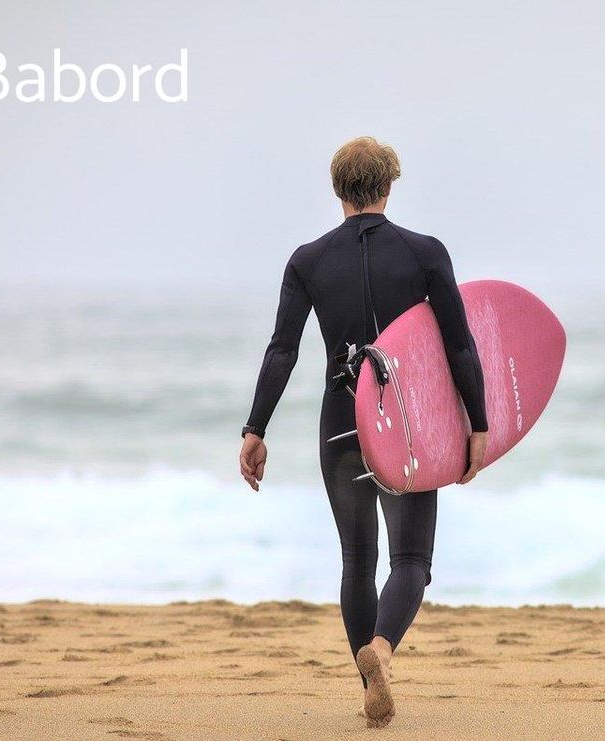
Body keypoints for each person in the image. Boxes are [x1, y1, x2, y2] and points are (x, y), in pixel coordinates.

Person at [238, 136, 488, 728]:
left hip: (340, 424)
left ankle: (368, 687)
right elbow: (458, 345)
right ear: (391, 184)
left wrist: (255, 428)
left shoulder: (308, 260)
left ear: (337, 189)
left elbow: (283, 350)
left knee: (356, 558)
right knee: (411, 559)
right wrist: (478, 424)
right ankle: (382, 650)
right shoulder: (425, 253)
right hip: (404, 426)